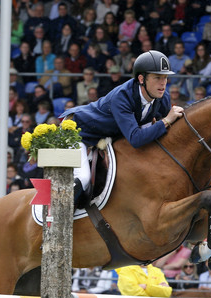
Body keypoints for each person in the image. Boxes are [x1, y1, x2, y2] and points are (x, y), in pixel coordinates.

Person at [61, 50, 184, 207]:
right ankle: (58, 215)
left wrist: (164, 122)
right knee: (83, 178)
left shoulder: (162, 97)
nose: (163, 83)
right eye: (157, 77)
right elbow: (136, 139)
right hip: (77, 131)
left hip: (105, 137)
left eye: (165, 77)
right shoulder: (122, 96)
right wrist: (166, 120)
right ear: (141, 79)